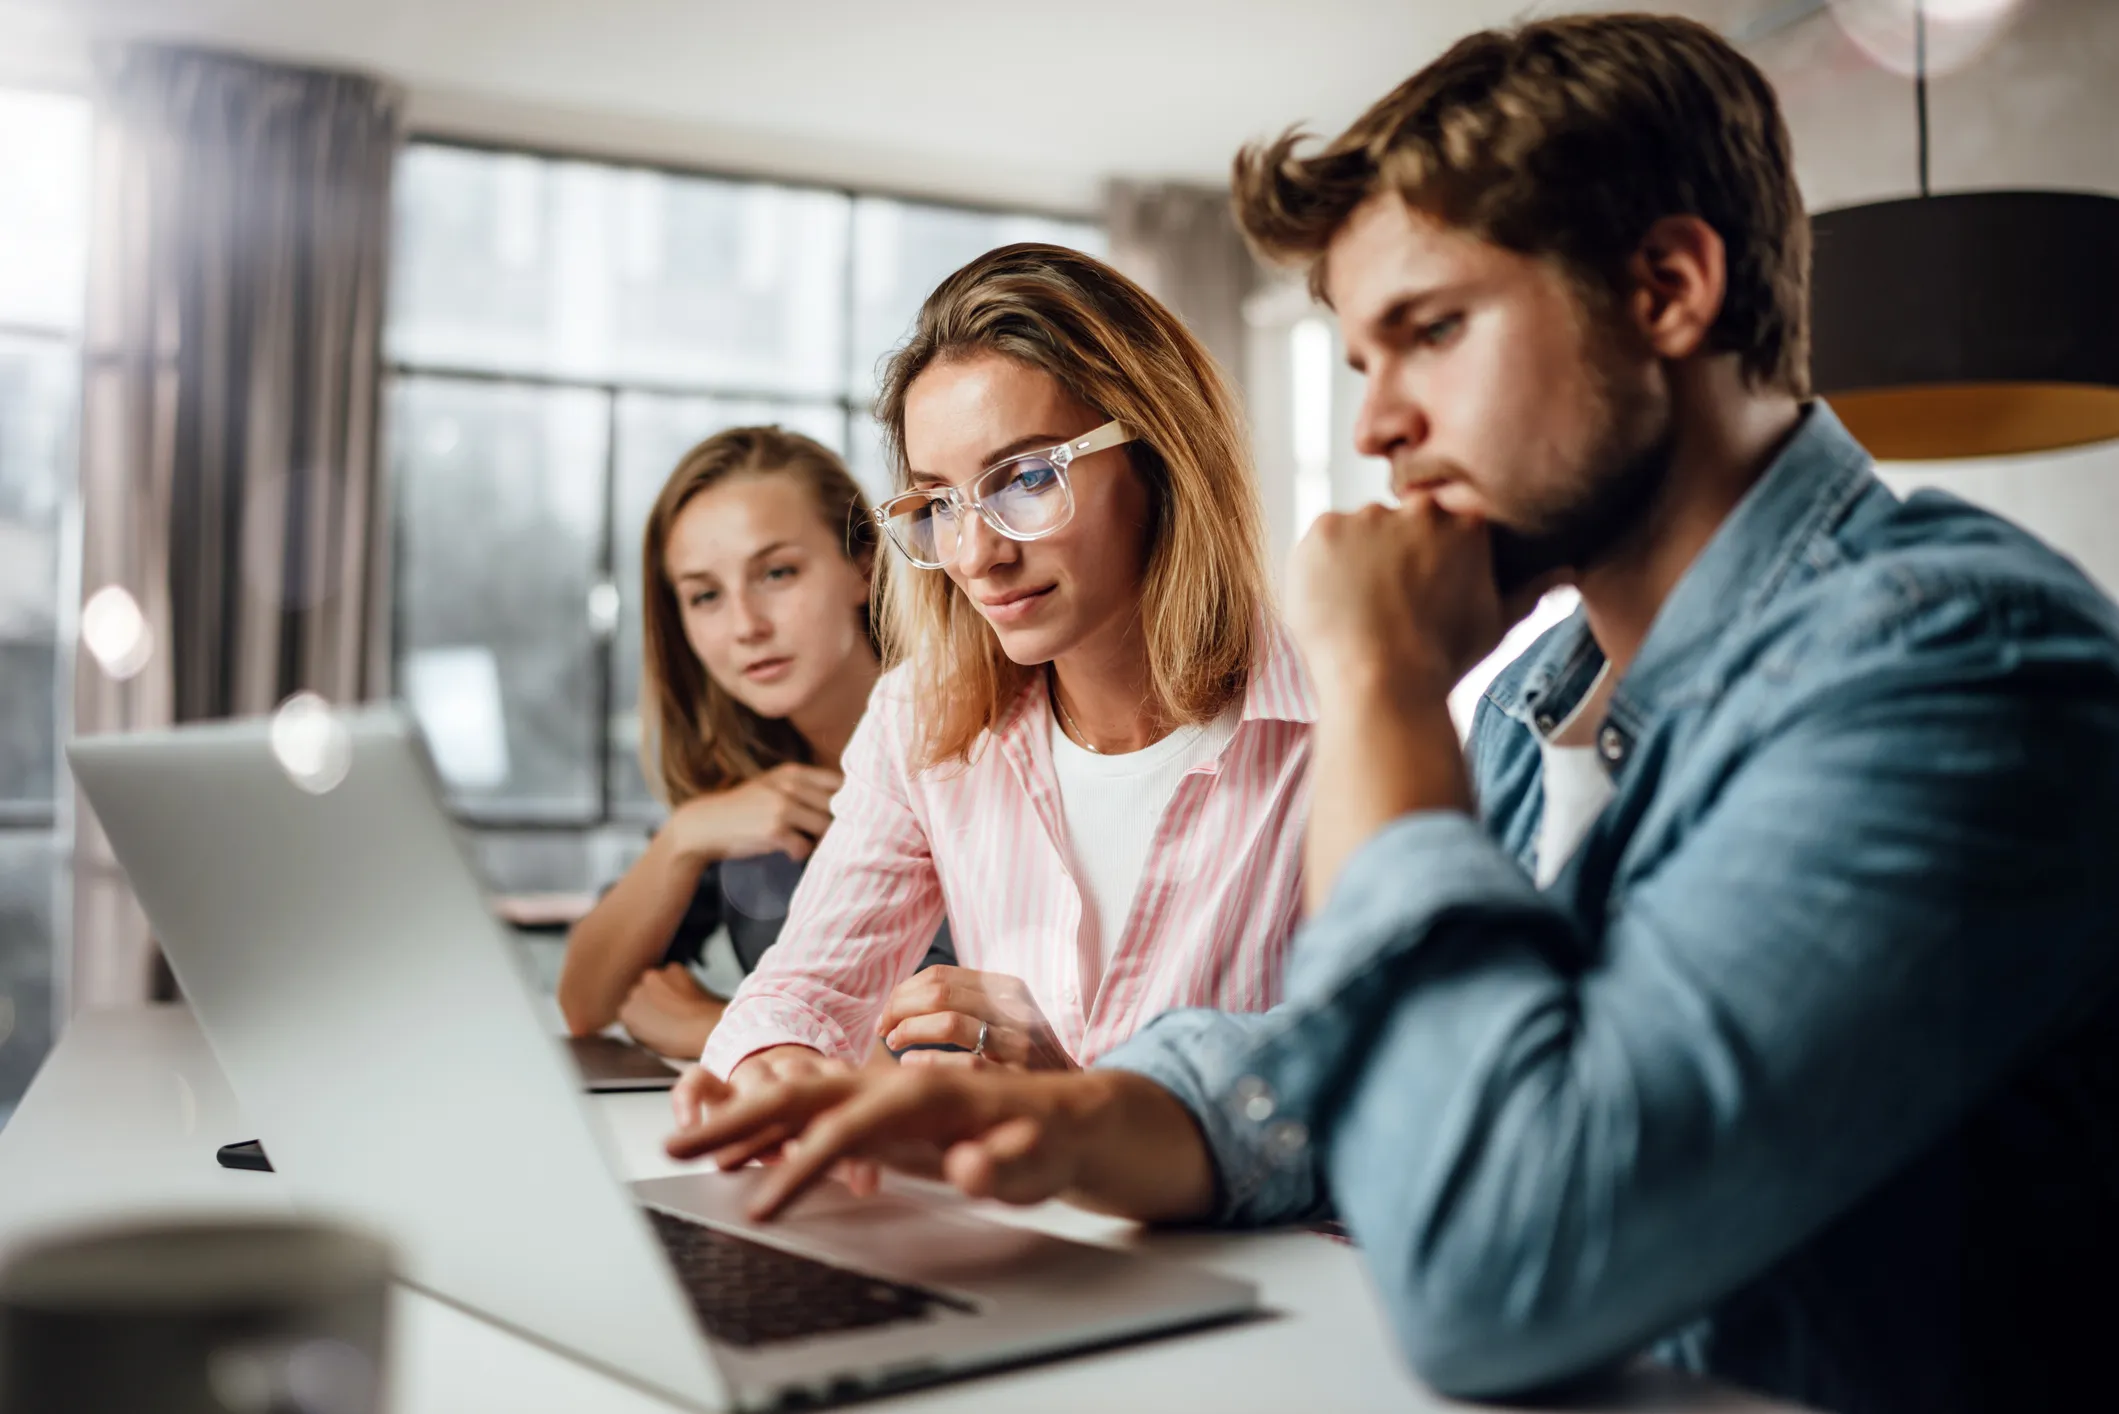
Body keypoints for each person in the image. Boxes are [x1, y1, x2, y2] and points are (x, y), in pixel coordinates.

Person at [662, 16, 2119, 1414]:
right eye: (1363, 359)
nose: (1372, 426)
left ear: (1669, 291)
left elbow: (1499, 1254)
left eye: (1430, 332)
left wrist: (1371, 686)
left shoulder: (1943, 663)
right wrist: (1073, 1122)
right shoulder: (1545, 707)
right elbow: (1348, 1068)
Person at [673, 243, 1314, 1106]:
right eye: (939, 503)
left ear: (1160, 460)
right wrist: (770, 1072)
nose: (976, 556)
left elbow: (1382, 1107)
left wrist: (1071, 1108)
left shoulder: (1339, 725)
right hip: (1021, 1233)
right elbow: (802, 992)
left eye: (1026, 478)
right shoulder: (923, 721)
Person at [557, 426, 950, 1058]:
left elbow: (944, 1055)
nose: (746, 625)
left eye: (776, 573)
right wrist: (684, 837)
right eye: (705, 595)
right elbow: (587, 1003)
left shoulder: (963, 750)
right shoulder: (751, 788)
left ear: (862, 565)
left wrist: (718, 1027)